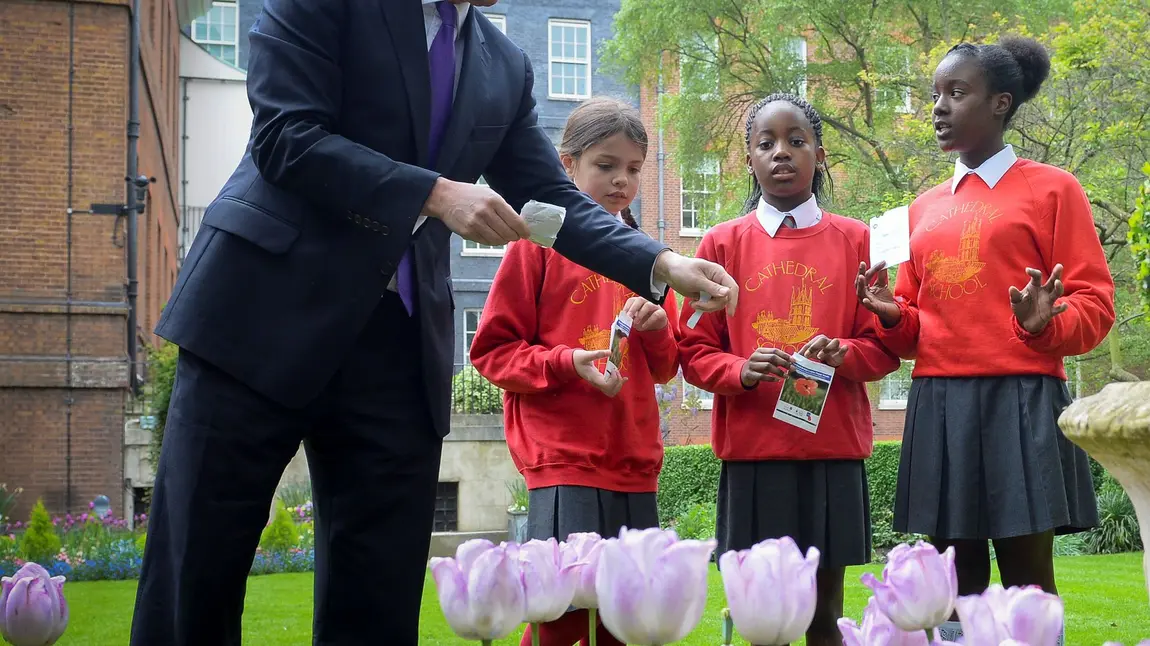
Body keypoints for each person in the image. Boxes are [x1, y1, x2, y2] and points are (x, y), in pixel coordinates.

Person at [128, 2, 739, 644]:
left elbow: (550, 199)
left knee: (378, 597)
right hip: (256, 319)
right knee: (194, 575)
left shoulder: (501, 64)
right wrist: (437, 193)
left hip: (397, 349)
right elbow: (286, 136)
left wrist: (663, 261)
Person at [856, 36, 1115, 635]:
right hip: (939, 403)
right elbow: (916, 331)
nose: (938, 108)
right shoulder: (920, 209)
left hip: (1020, 400)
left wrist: (1045, 323)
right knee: (950, 585)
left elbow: (1096, 306)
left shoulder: (1054, 189)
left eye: (956, 93)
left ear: (1001, 103)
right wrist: (891, 314)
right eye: (934, 95)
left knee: (1028, 582)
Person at [679, 94, 900, 646]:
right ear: (749, 159)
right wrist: (741, 370)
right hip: (755, 458)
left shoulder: (857, 241)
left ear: (820, 155)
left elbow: (885, 346)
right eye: (766, 143)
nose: (782, 153)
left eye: (796, 141)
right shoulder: (720, 245)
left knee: (825, 623)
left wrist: (844, 354)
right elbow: (695, 352)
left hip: (832, 455)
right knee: (764, 626)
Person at [469, 97, 679, 646]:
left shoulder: (647, 257)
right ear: (567, 166)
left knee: (624, 620)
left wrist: (658, 328)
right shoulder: (534, 245)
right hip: (564, 460)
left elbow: (663, 369)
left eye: (633, 169)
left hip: (632, 459)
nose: (621, 181)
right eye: (605, 165)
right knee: (558, 616)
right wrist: (567, 363)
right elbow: (493, 352)